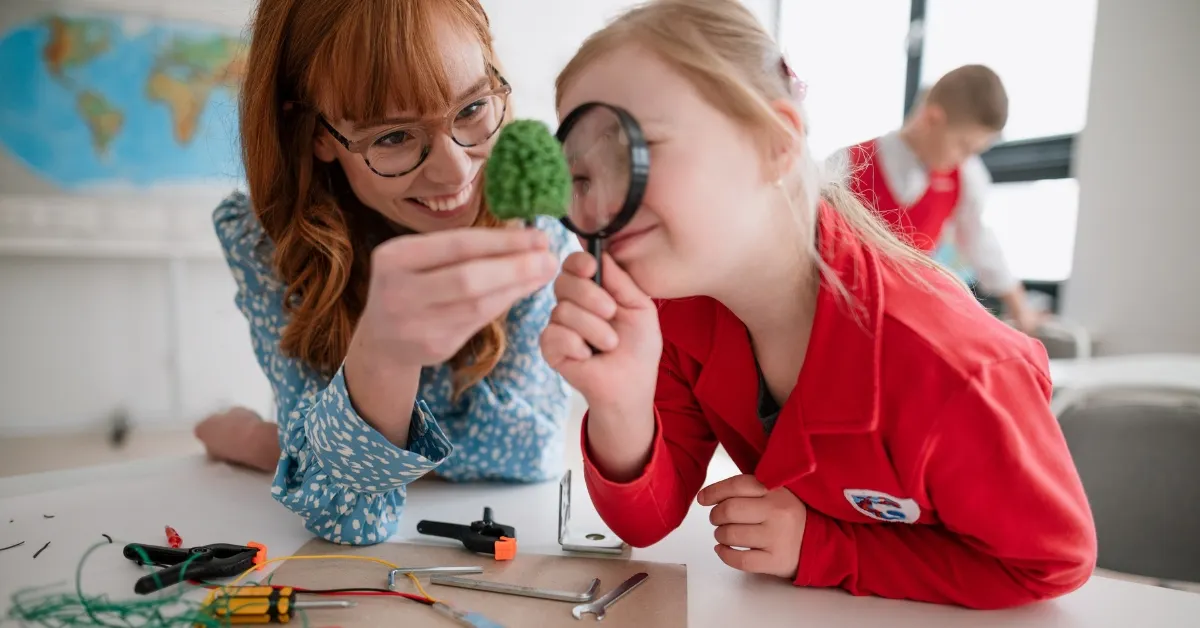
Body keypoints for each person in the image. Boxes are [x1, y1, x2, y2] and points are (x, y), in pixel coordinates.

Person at [542, 0, 1096, 610]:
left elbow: (1048, 563)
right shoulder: (678, 307)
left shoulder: (953, 372)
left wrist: (825, 547)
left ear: (775, 143)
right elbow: (645, 523)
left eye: (632, 151)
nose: (597, 210)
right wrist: (620, 403)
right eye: (583, 179)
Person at [195, 0, 575, 545]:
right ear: (317, 135)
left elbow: (529, 452)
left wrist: (278, 445)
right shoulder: (266, 240)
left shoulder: (535, 216)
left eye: (470, 110)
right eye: (393, 137)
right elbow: (347, 518)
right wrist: (384, 359)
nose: (454, 170)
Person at [828, 65, 1045, 334]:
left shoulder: (966, 177)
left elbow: (979, 241)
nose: (966, 158)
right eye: (964, 146)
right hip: (846, 315)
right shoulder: (847, 165)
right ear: (931, 119)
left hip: (909, 319)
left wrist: (1018, 304)